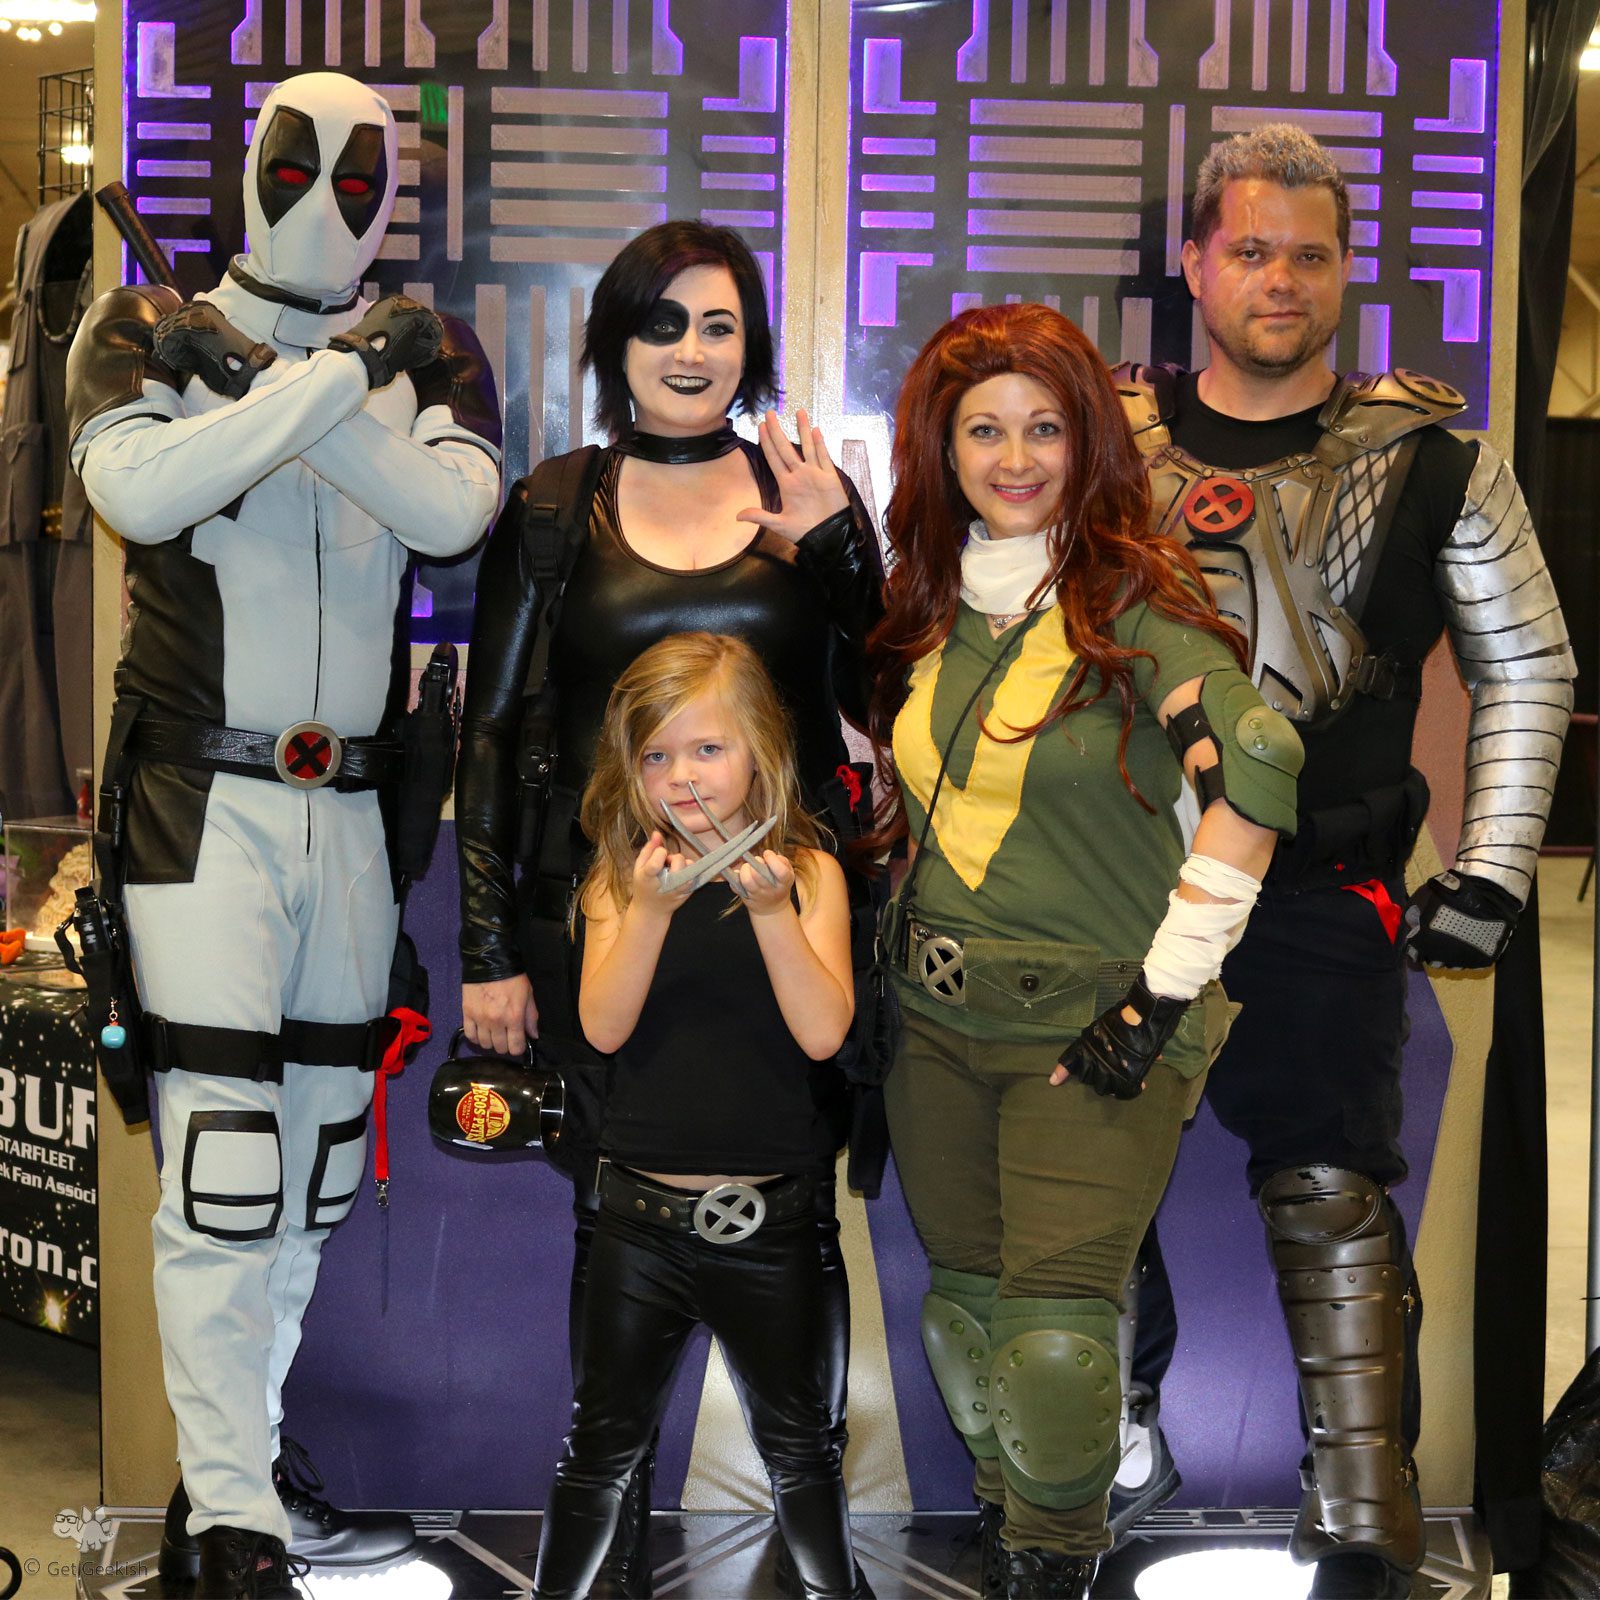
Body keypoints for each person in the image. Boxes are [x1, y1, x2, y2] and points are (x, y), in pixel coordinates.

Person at [1111, 123, 1576, 1599]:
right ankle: (1089, 1464)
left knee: (1331, 1200)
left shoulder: (1435, 461)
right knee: (1077, 1178)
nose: (1281, 279)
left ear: (1345, 269)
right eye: (1250, 249)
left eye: (1309, 254)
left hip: (1326, 890)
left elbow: (1527, 664)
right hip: (1110, 884)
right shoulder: (1096, 447)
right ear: (1195, 263)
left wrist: (1491, 869)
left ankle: (1365, 1519)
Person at [66, 72, 501, 1600]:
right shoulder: (141, 326)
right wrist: (323, 385)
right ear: (251, 164)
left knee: (312, 1171)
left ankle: (229, 1488)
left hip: (357, 813)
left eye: (360, 170)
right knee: (224, 1169)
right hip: (203, 809)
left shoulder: (430, 349)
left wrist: (294, 389)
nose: (326, 195)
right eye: (298, 161)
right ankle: (241, 1523)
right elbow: (138, 487)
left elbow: (451, 519)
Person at [455, 220, 882, 1594]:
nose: (692, 351)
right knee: (616, 1255)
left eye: (719, 323)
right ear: (614, 342)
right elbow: (490, 731)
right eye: (662, 322)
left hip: (786, 915)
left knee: (789, 1216)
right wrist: (484, 947)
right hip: (604, 918)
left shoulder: (804, 492)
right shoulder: (554, 505)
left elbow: (892, 692)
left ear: (751, 345)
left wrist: (839, 553)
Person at [867, 301, 1301, 1600]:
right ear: (940, 447)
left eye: (1045, 428)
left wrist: (1161, 998)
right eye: (983, 429)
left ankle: (1054, 1567)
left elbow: (1256, 770)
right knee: (970, 1327)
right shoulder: (927, 600)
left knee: (1055, 1347)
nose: (1014, 458)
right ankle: (1014, 1547)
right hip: (933, 1031)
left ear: (1090, 441)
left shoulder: (1131, 603)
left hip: (1091, 1035)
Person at [530, 631, 869, 1600]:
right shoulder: (617, 876)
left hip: (776, 1226)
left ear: (760, 748)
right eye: (655, 754)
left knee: (803, 1453)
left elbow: (823, 1033)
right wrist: (648, 910)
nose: (681, 775)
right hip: (637, 1226)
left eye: (706, 748)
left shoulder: (809, 873)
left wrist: (769, 915)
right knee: (599, 1449)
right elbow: (601, 1026)